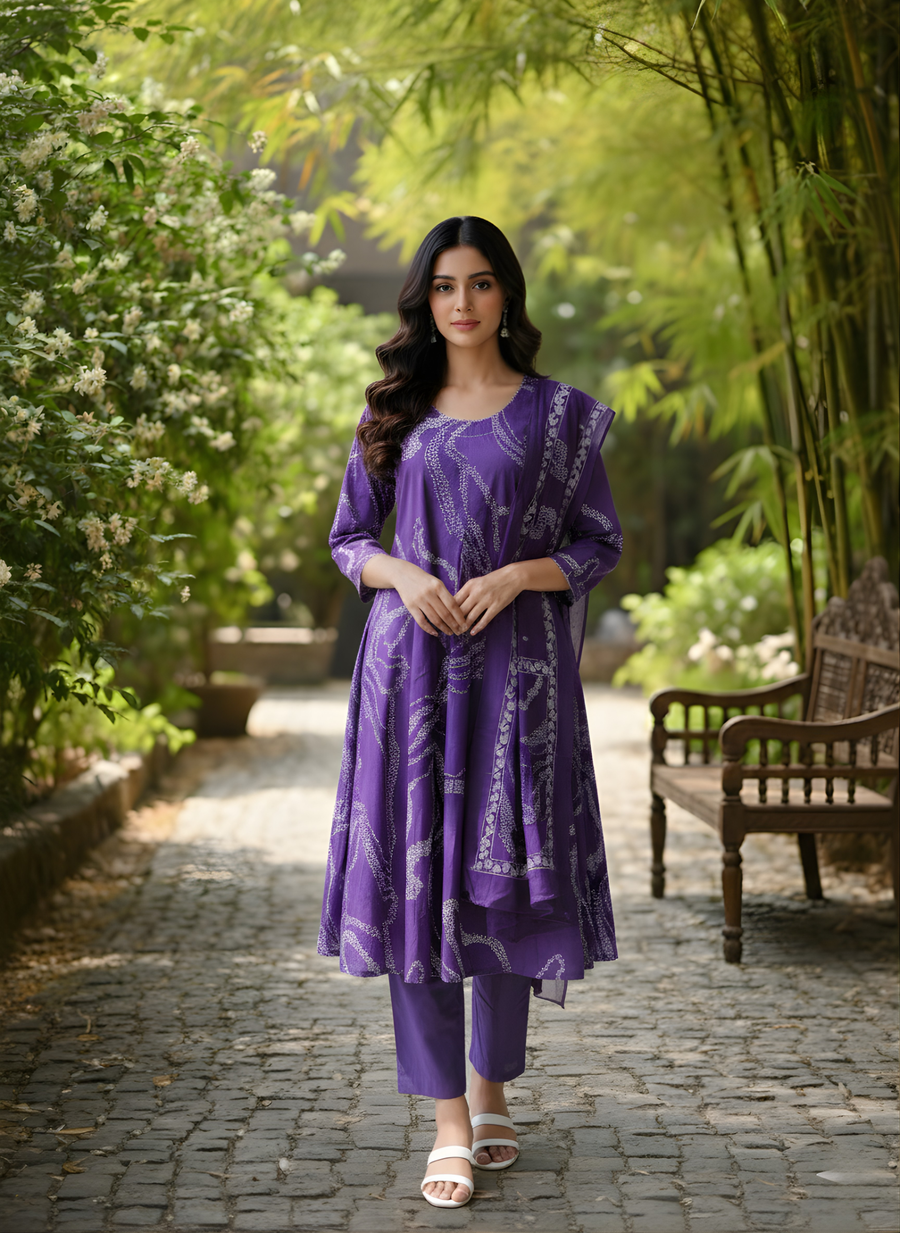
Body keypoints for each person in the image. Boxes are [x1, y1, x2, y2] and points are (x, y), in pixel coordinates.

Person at [318, 216, 622, 1209]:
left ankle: (491, 1091)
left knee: (499, 883)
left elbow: (597, 542)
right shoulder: (391, 417)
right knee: (419, 888)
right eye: (445, 286)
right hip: (409, 680)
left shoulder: (557, 418)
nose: (462, 303)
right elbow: (349, 540)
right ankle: (448, 1117)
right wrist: (402, 573)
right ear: (424, 300)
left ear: (507, 296)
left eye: (481, 284)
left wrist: (521, 576)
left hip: (518, 680)